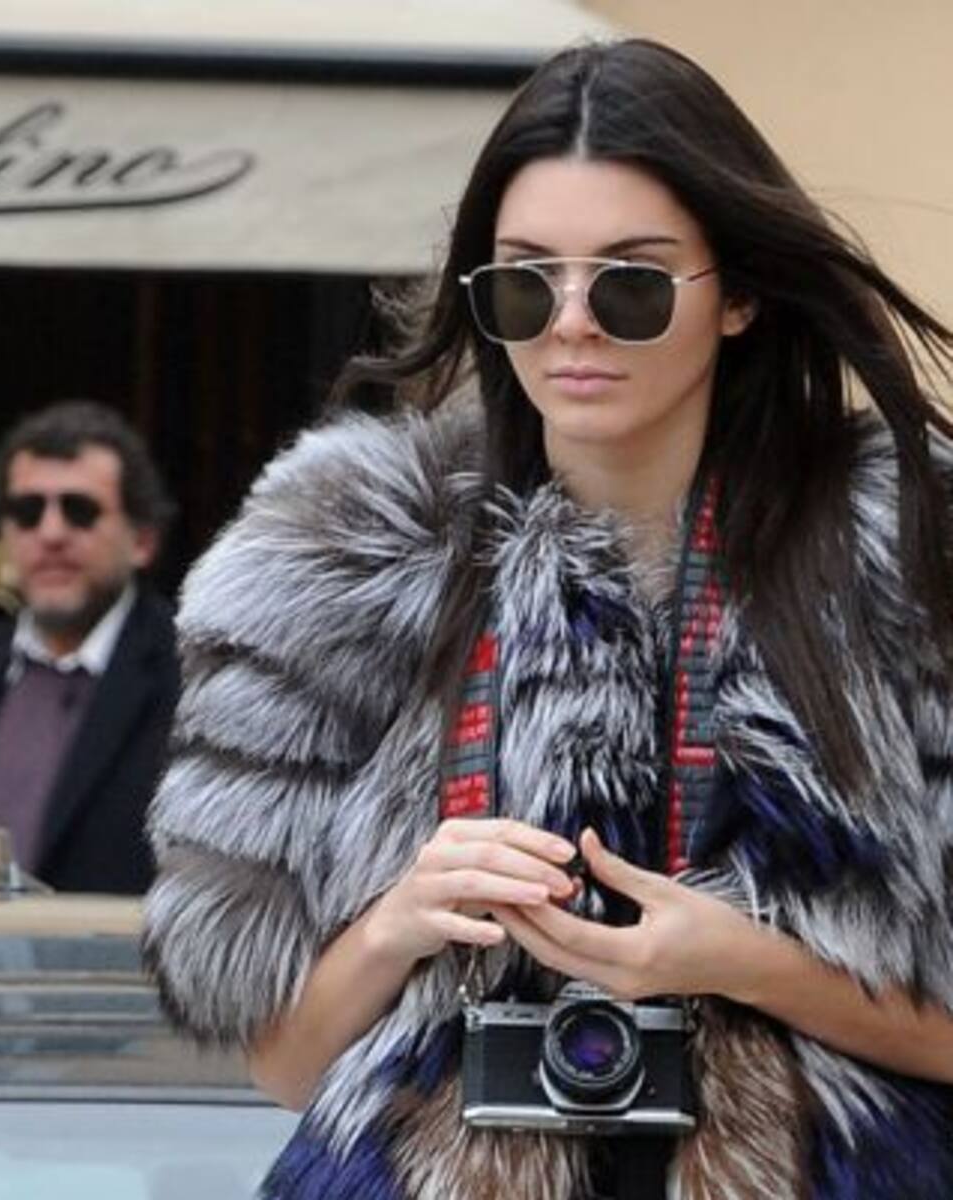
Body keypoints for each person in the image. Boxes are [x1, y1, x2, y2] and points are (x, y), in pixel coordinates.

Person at [142, 38, 953, 1199]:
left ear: (739, 297)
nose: (572, 324)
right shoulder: (344, 565)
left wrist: (746, 964)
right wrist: (404, 920)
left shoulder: (910, 558)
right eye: (524, 284)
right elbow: (284, 1067)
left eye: (631, 284)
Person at [0, 400, 179, 894]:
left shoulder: (191, 675)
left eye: (80, 511)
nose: (51, 533)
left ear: (142, 541)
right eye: (27, 512)